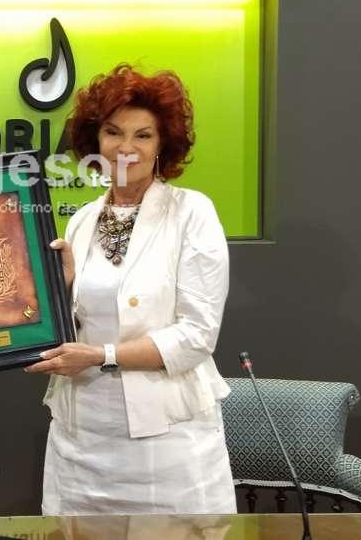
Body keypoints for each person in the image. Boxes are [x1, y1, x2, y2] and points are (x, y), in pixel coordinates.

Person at [26, 64, 237, 515]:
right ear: (95, 142)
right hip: (80, 441)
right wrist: (61, 290)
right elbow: (74, 323)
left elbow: (197, 336)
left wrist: (101, 356)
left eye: (143, 135)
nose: (126, 147)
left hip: (167, 445)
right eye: (113, 132)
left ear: (163, 145)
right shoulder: (82, 220)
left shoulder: (192, 213)